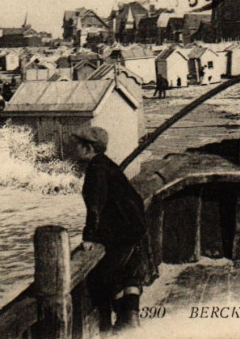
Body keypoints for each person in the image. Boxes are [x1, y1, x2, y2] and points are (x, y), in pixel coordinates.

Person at [71, 126, 154, 330]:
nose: (74, 149)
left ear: (89, 147)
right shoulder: (106, 164)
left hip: (121, 229)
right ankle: (132, 319)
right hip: (134, 225)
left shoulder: (96, 169)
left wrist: (89, 236)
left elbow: (95, 205)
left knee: (107, 274)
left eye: (78, 145)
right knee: (129, 273)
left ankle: (123, 320)